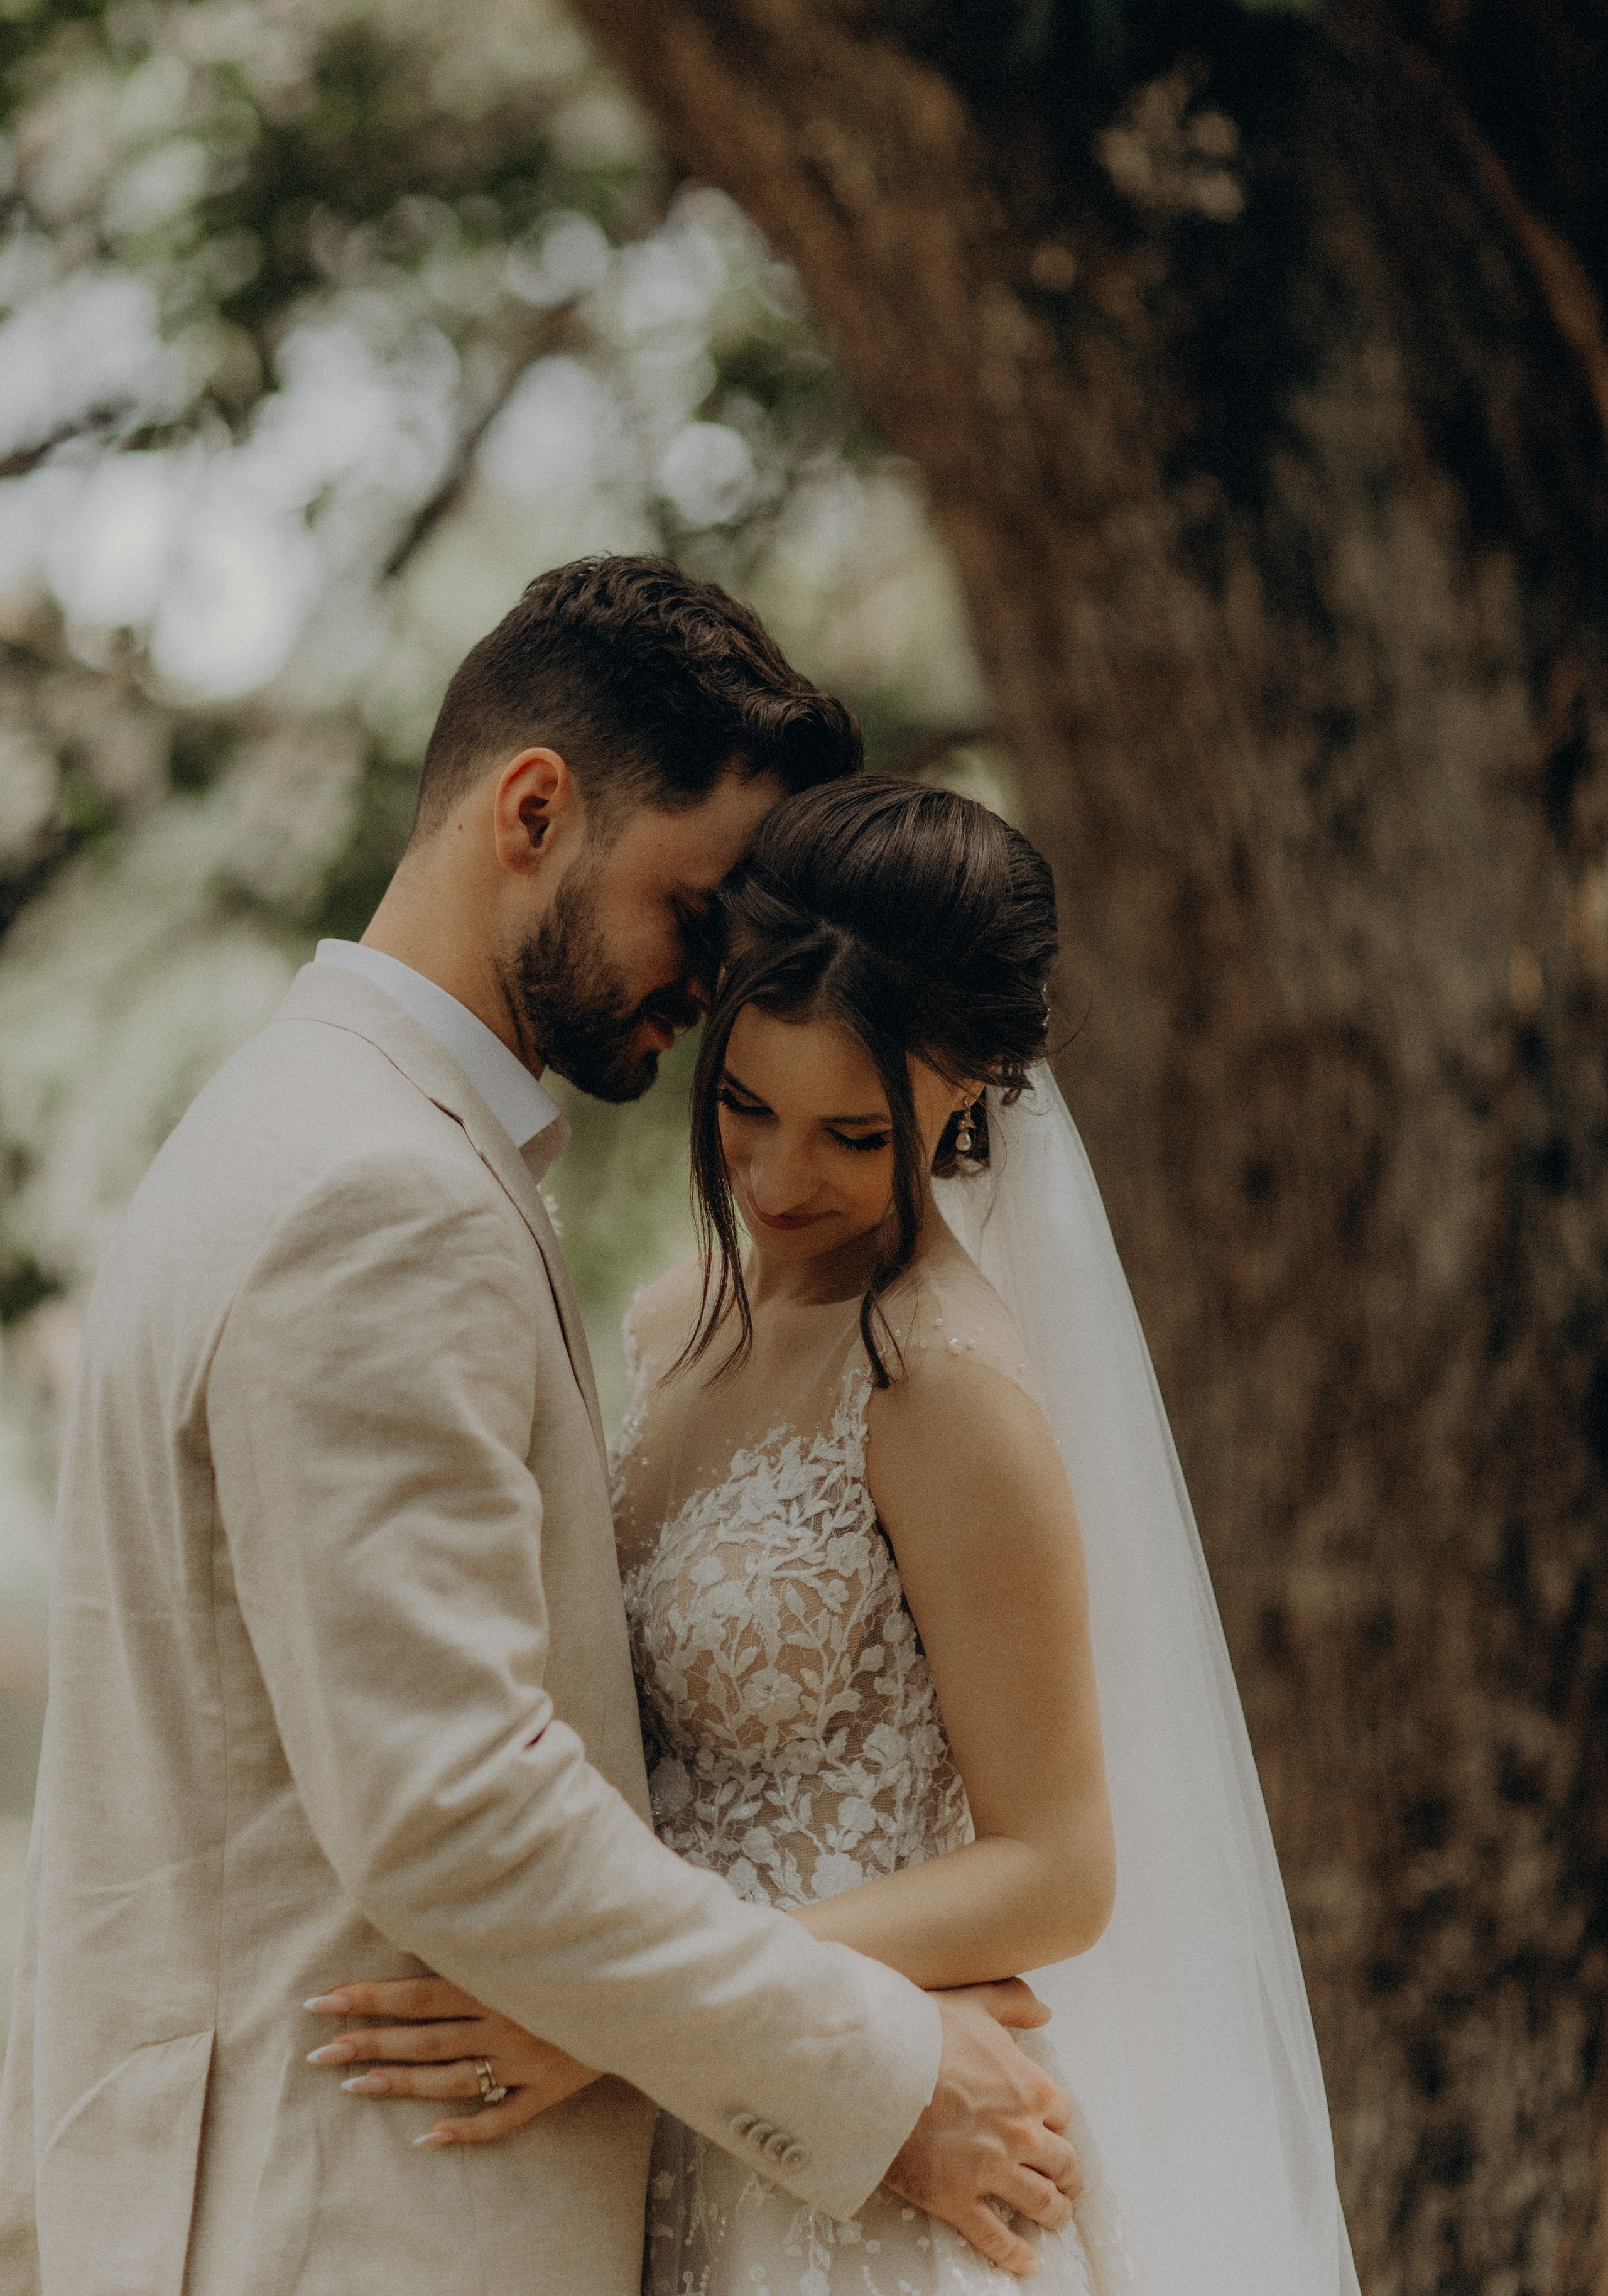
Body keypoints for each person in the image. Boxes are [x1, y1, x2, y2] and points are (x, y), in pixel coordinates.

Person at [0, 563, 1085, 2296]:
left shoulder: (288, 1116)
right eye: (700, 907)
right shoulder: (380, 1195)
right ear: (533, 809)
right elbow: (454, 1807)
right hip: (349, 2219)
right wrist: (878, 2068)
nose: (722, 976)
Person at [304, 777, 1362, 2296]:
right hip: (700, 2115)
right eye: (743, 1108)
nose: (780, 1180)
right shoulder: (673, 1324)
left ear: (970, 1089)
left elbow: (1056, 1871)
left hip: (866, 2188)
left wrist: (618, 2007)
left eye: (851, 1135)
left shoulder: (937, 1386)